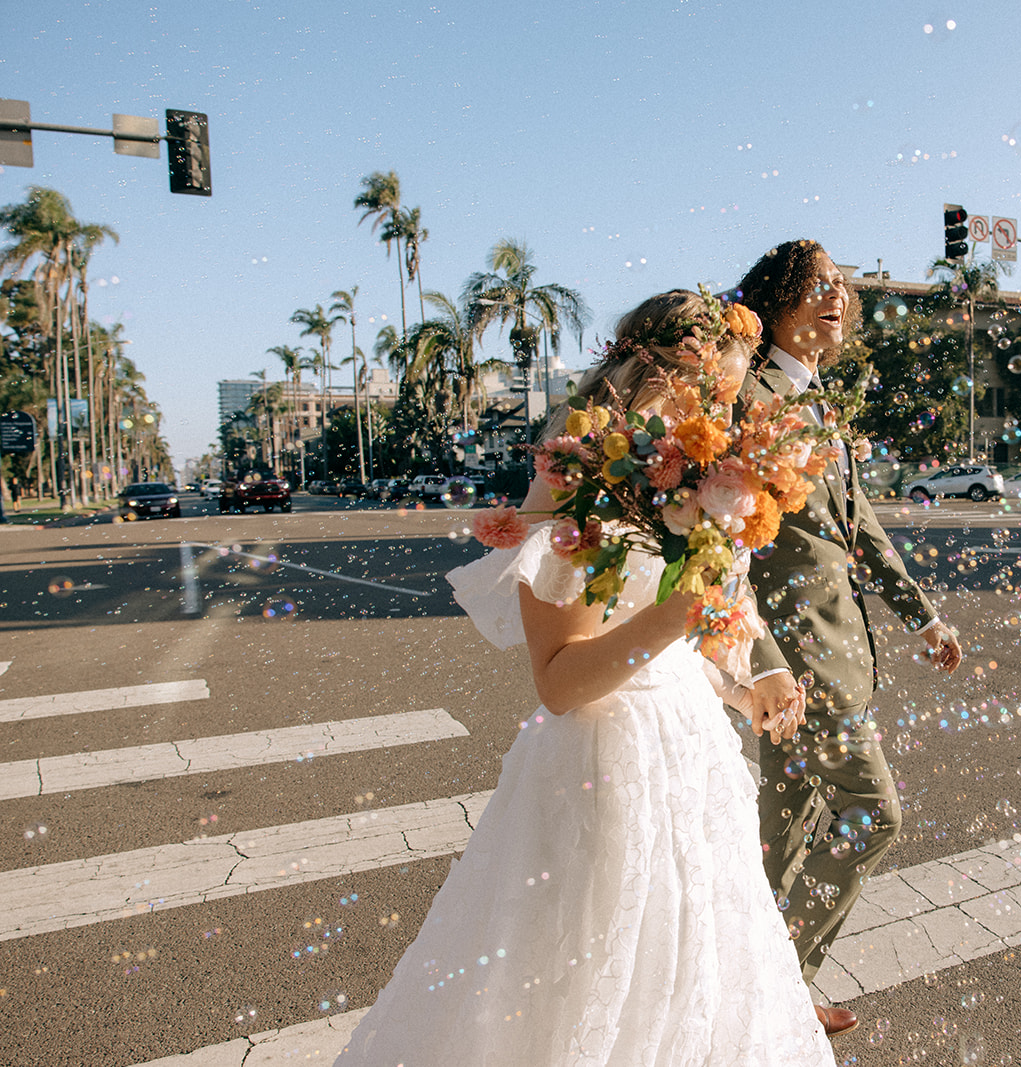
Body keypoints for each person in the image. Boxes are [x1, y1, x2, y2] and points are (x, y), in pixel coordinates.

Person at [334, 290, 834, 1065]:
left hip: (692, 757)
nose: (722, 417)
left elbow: (685, 633)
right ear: (669, 369)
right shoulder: (580, 474)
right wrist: (677, 615)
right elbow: (561, 682)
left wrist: (743, 684)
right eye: (715, 394)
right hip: (606, 772)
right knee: (590, 982)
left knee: (690, 978)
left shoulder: (692, 472)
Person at [733, 241, 963, 1036]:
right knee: (874, 812)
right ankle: (780, 980)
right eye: (812, 285)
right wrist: (761, 662)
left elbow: (857, 526)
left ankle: (755, 987)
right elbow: (719, 547)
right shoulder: (747, 394)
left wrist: (922, 614)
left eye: (839, 286)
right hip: (795, 662)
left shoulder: (817, 400)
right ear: (775, 299)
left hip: (835, 652)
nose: (832, 297)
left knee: (784, 835)